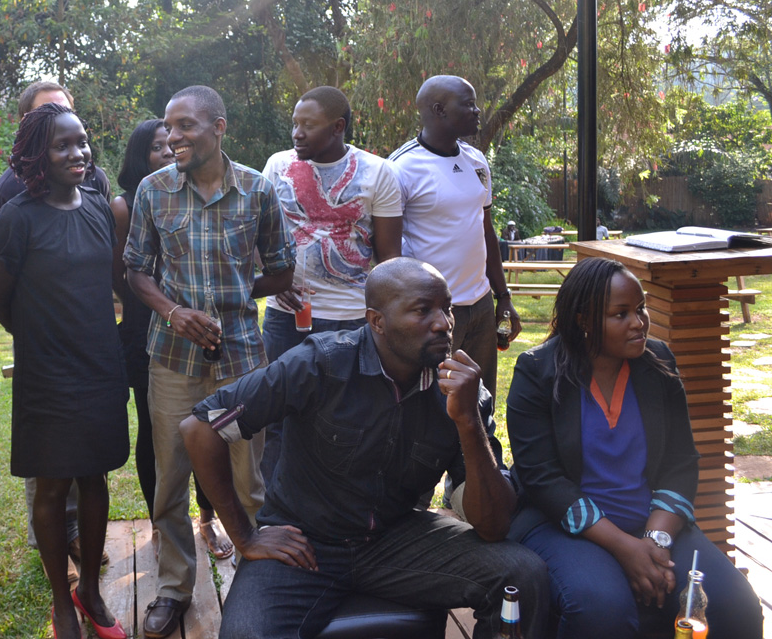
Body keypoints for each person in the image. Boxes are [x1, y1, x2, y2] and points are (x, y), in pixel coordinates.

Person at [181, 257, 549, 639]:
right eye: (423, 310)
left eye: (447, 308)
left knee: (522, 575)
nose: (444, 323)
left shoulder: (461, 393)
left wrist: (469, 421)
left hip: (396, 540)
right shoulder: (320, 364)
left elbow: (494, 525)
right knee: (245, 634)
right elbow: (201, 428)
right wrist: (245, 536)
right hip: (304, 545)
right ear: (377, 321)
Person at [507, 257, 763, 638]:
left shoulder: (658, 364)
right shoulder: (537, 372)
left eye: (641, 309)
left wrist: (654, 541)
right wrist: (625, 548)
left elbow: (681, 462)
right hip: (562, 526)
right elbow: (543, 480)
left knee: (735, 604)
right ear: (583, 320)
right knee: (602, 610)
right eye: (621, 314)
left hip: (651, 523)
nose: (639, 322)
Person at [124, 85, 295, 638]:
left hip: (241, 356)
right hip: (172, 359)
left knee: (249, 477)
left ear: (219, 128)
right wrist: (174, 312)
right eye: (169, 127)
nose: (173, 136)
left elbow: (283, 270)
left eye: (186, 126)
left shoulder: (258, 189)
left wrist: (237, 292)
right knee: (170, 477)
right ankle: (174, 588)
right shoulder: (153, 190)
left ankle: (255, 582)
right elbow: (136, 271)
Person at [0, 103, 130, 639]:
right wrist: (39, 338)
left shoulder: (99, 208)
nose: (77, 152)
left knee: (96, 478)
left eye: (81, 141)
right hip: (47, 374)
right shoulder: (15, 218)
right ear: (37, 155)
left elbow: (115, 282)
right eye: (62, 145)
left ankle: (89, 590)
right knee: (51, 487)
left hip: (99, 366)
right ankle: (60, 603)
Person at [259, 85, 402, 483]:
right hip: (285, 318)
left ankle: (338, 505)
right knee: (276, 417)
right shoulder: (277, 165)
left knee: (344, 419)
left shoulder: (377, 173)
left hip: (350, 320)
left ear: (338, 127)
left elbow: (390, 258)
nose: (297, 133)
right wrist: (274, 281)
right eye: (294, 124)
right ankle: (274, 509)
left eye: (308, 125)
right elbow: (258, 234)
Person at [111, 118, 233, 560]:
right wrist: (165, 308)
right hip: (147, 328)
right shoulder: (126, 204)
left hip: (204, 328)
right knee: (156, 432)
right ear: (139, 155)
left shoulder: (201, 192)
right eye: (157, 147)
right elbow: (122, 274)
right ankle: (162, 523)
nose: (167, 152)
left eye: (172, 144)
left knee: (208, 426)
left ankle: (208, 516)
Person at [389, 75, 519, 400]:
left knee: (482, 400)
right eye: (469, 104)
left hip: (480, 305)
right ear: (439, 110)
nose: (477, 111)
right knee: (433, 405)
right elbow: (387, 253)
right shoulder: (401, 167)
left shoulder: (476, 160)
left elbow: (485, 230)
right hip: (433, 312)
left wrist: (502, 296)